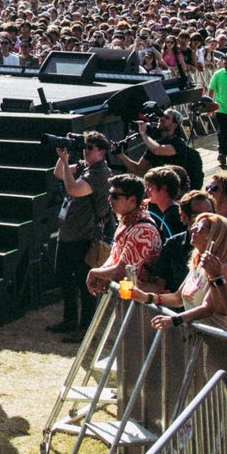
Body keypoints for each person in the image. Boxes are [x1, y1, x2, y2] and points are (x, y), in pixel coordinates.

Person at [49, 131, 112, 336]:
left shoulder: (100, 173)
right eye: (85, 147)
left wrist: (67, 164)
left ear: (102, 152)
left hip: (84, 235)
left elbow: (74, 189)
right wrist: (63, 159)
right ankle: (69, 320)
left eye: (90, 148)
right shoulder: (87, 167)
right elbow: (58, 174)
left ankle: (85, 327)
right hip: (69, 232)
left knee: (85, 282)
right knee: (63, 276)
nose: (85, 152)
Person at [142, 212, 227, 330]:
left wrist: (175, 320)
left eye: (200, 228)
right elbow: (178, 298)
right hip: (194, 336)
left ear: (216, 236)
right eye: (194, 226)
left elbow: (208, 308)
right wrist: (147, 297)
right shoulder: (199, 263)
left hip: (215, 341)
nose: (193, 230)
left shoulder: (226, 268)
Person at [87, 174, 162, 298]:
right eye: (110, 194)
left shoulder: (142, 231)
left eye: (115, 196)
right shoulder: (127, 220)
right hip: (126, 296)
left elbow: (121, 271)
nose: (109, 200)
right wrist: (102, 273)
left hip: (141, 303)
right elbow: (114, 257)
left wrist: (94, 272)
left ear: (132, 200)